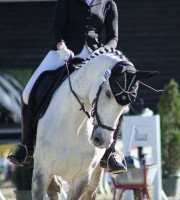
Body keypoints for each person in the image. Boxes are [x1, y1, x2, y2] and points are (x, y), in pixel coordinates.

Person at [8, 0, 127, 174]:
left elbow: (113, 38)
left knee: (116, 96)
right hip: (62, 52)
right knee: (27, 93)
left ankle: (110, 154)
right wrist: (61, 46)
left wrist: (103, 53)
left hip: (94, 55)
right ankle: (26, 146)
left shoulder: (108, 3)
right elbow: (57, 28)